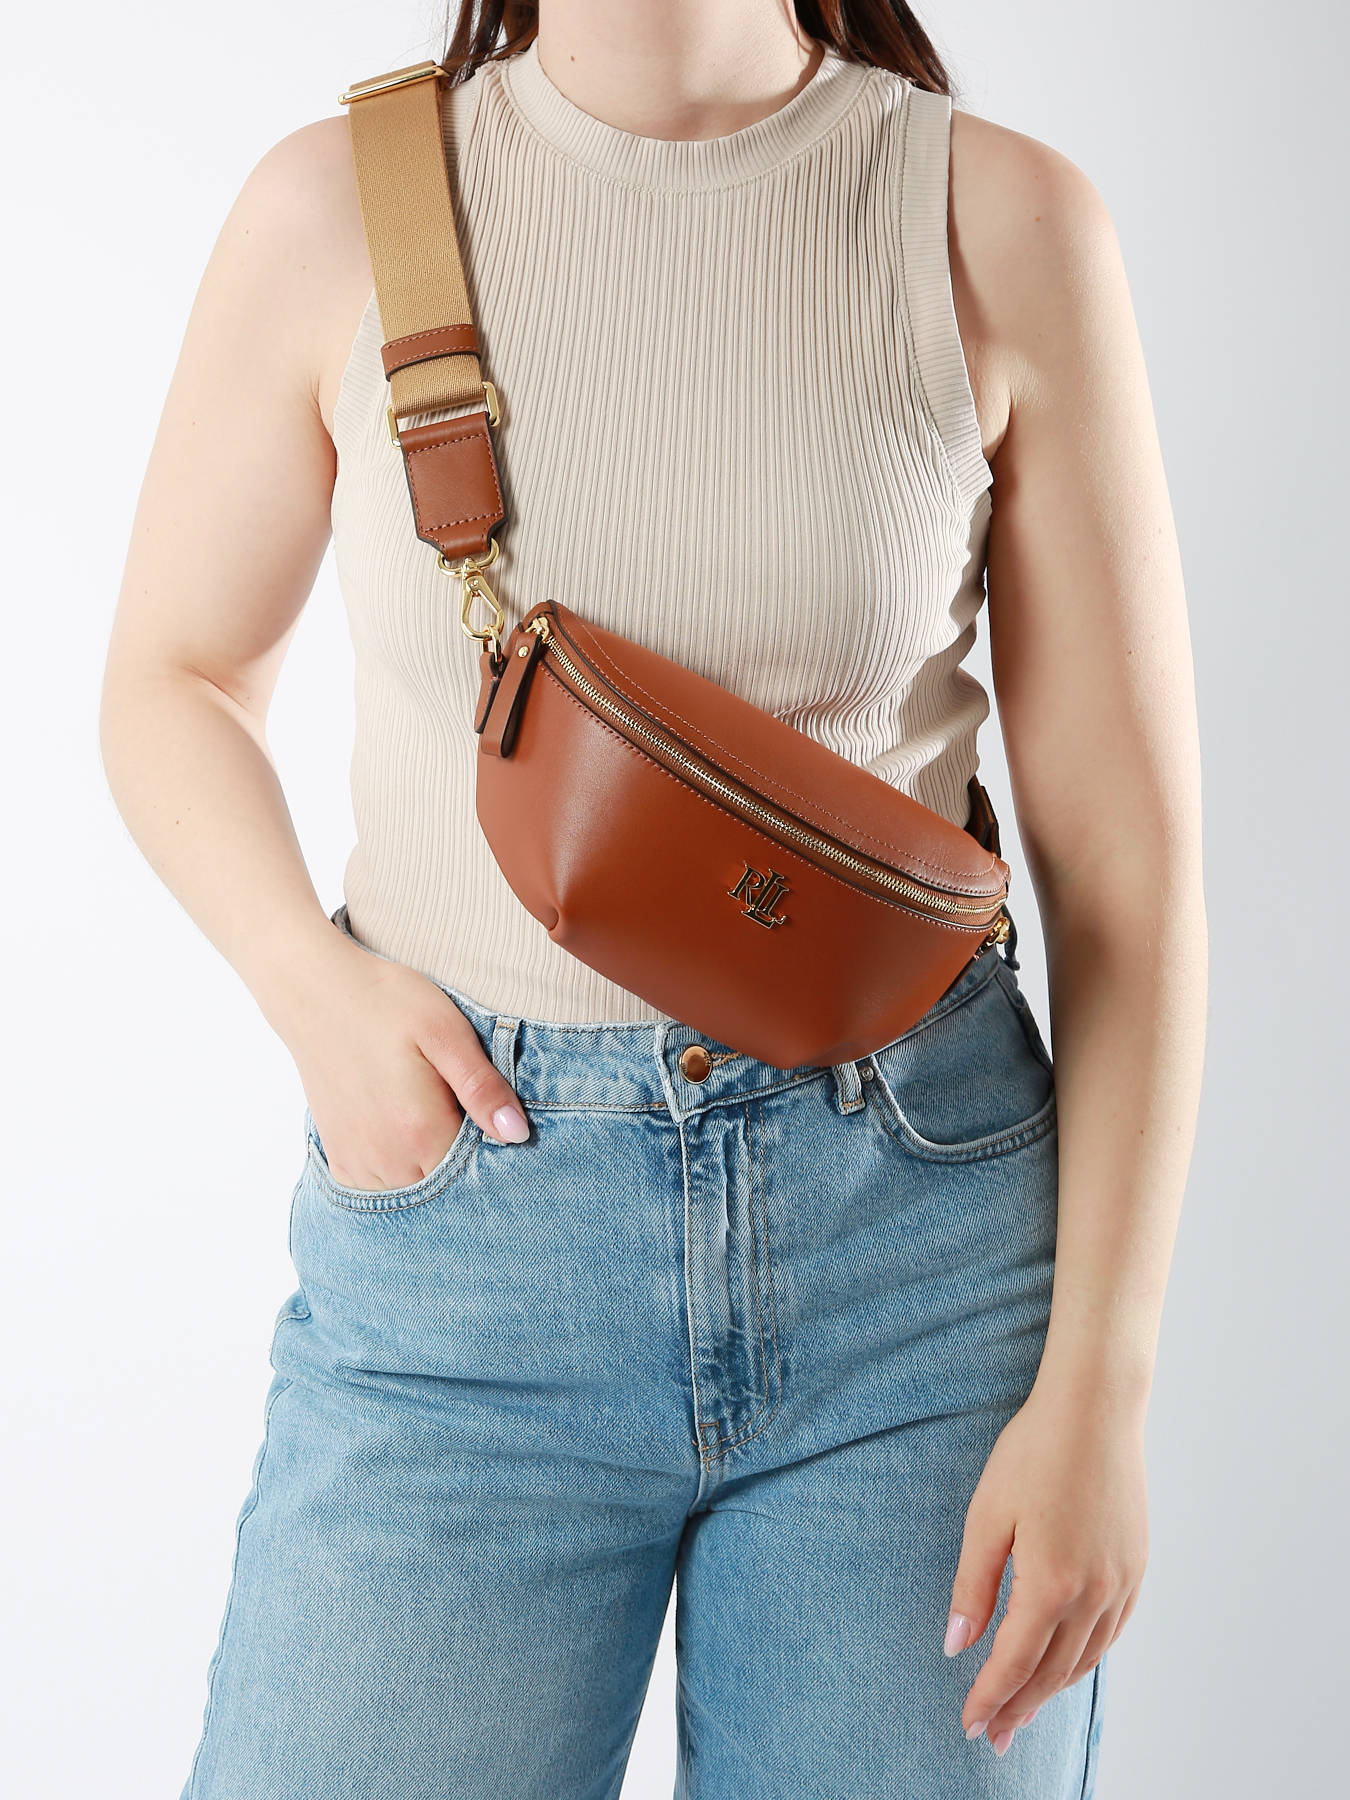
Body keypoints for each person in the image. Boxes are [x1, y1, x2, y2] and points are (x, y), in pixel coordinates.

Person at [99, 3, 1208, 1795]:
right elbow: (172, 678)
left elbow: (1124, 871)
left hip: (913, 1274)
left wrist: (1102, 1387)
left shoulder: (996, 219)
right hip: (469, 1245)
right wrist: (314, 992)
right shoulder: (343, 208)